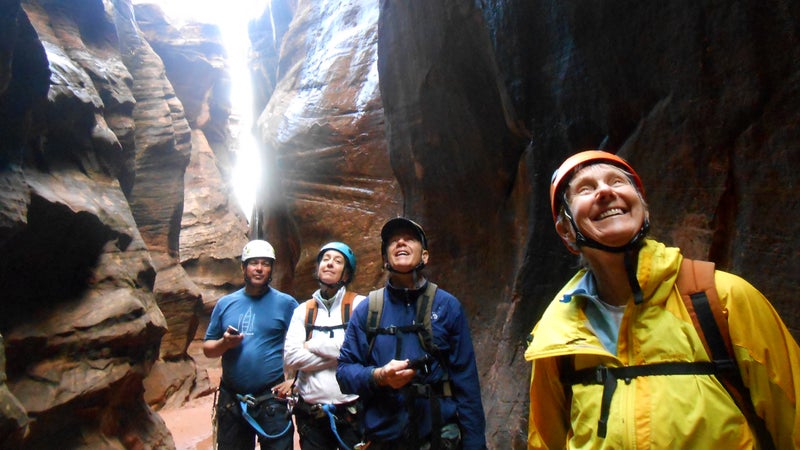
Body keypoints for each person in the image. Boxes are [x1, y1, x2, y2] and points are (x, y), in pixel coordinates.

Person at [525, 150, 800, 449]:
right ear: (565, 231)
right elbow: (546, 440)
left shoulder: (722, 299)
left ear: (643, 208)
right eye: (585, 189)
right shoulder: (557, 335)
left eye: (617, 182)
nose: (605, 191)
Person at [337, 217, 487, 450]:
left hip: (437, 438)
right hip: (383, 440)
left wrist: (475, 445)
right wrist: (379, 376)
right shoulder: (367, 310)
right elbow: (344, 373)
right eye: (393, 241)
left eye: (409, 239)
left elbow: (466, 383)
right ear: (385, 258)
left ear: (425, 256)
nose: (401, 243)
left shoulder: (446, 307)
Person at [203, 239, 299, 450]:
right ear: (243, 267)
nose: (259, 268)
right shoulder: (225, 304)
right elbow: (208, 349)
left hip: (271, 399)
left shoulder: (287, 304)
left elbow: (305, 343)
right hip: (233, 401)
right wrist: (225, 343)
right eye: (253, 262)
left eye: (265, 263)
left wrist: (295, 380)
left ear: (272, 268)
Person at [284, 242, 366, 449]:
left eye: (337, 261)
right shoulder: (303, 311)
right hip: (311, 415)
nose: (330, 264)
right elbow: (292, 358)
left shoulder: (359, 306)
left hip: (351, 413)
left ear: (346, 275)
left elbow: (361, 350)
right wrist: (341, 353)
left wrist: (312, 344)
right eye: (326, 259)